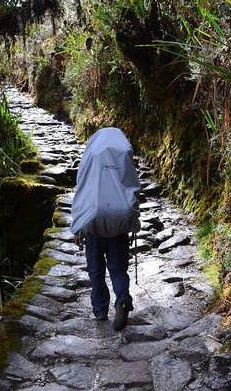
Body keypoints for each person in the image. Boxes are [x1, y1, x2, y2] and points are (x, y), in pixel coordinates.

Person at [71, 127, 140, 331]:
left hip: (95, 223)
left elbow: (83, 191)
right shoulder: (124, 155)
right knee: (118, 270)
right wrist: (132, 220)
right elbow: (132, 188)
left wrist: (78, 227)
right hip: (119, 223)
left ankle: (101, 310)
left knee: (96, 270)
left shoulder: (91, 157)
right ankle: (122, 300)